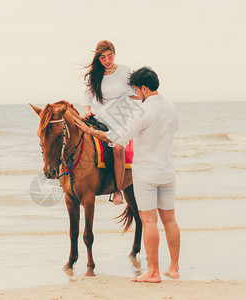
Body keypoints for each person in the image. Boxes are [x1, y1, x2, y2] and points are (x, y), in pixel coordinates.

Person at [74, 67, 180, 283]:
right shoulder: (171, 108)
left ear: (143, 88)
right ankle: (174, 268)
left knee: (149, 221)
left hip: (147, 173)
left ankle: (153, 272)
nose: (135, 93)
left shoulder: (142, 111)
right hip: (168, 171)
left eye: (135, 89)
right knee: (169, 220)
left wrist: (90, 131)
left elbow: (118, 138)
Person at [82, 40, 139, 205]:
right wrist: (87, 111)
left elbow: (133, 92)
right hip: (99, 117)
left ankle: (117, 190)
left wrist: (146, 94)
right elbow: (87, 98)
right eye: (103, 57)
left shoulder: (124, 71)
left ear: (114, 53)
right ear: (98, 58)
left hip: (120, 118)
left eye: (110, 56)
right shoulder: (94, 75)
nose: (107, 60)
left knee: (118, 149)